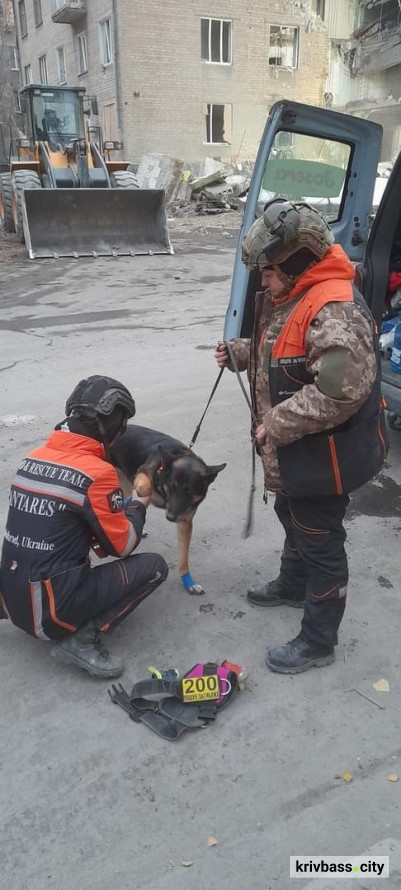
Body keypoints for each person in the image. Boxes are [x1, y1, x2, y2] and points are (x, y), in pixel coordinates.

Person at [215, 200, 387, 674]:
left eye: (268, 272)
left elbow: (340, 393)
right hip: (298, 455)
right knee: (292, 515)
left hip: (324, 457)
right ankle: (292, 586)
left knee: (320, 540)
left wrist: (275, 423)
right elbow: (285, 349)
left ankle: (318, 641)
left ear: (297, 261)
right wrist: (242, 353)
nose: (263, 282)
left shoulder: (336, 309)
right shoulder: (296, 294)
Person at [0, 375, 168, 679]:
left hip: (10, 596)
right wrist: (140, 502)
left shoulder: (32, 458)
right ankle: (80, 639)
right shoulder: (96, 473)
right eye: (122, 425)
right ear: (108, 424)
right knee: (155, 567)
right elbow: (123, 545)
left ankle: (17, 607)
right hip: (49, 613)